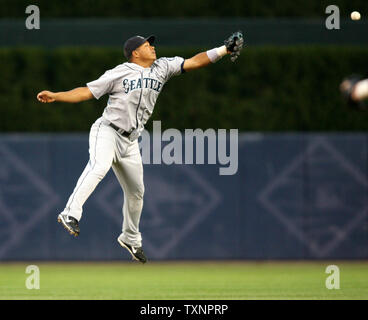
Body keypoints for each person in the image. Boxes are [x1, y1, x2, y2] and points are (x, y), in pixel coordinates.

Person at [36, 32, 244, 263]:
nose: (153, 47)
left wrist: (224, 50)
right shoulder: (119, 72)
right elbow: (86, 91)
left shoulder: (162, 67)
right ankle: (70, 213)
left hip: (131, 141)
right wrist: (57, 95)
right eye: (147, 45)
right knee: (99, 166)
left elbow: (194, 61)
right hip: (108, 131)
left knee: (136, 192)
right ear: (135, 52)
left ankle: (131, 238)